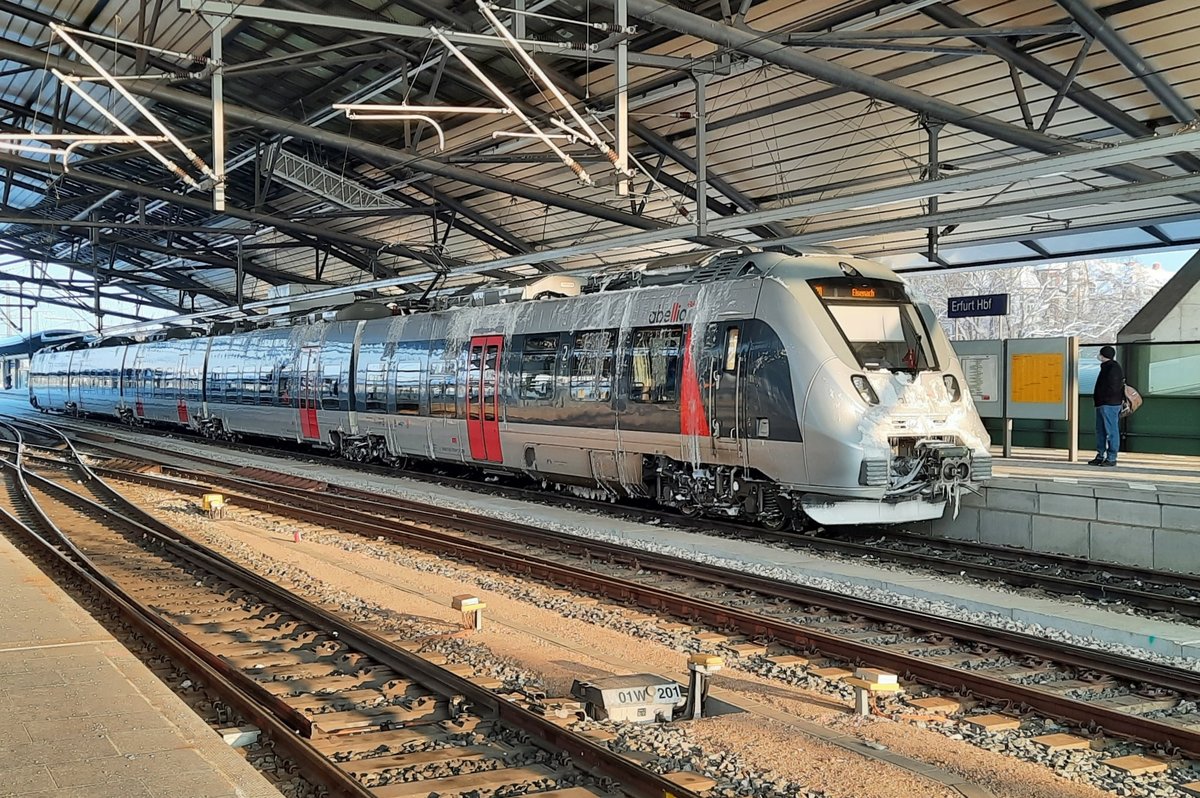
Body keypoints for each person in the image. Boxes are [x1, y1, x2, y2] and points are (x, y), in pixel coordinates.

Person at [1089, 345, 1124, 467]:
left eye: (1100, 354)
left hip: (1109, 404)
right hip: (1104, 403)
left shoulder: (1112, 368)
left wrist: (1103, 398)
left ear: (1103, 355)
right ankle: (1101, 455)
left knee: (1110, 431)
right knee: (1102, 430)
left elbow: (1112, 387)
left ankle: (1111, 457)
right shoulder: (1109, 367)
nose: (1099, 356)